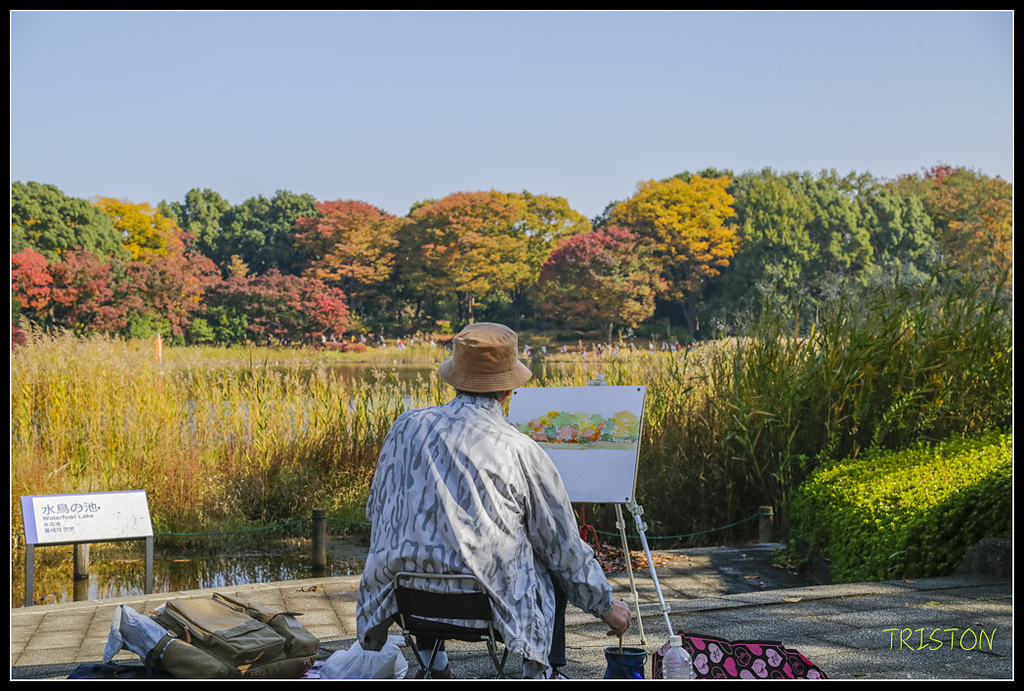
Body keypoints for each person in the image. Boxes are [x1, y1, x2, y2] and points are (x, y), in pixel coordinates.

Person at [356, 322, 631, 679]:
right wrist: (607, 606)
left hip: (408, 599)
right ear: (508, 391)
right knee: (547, 560)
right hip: (489, 608)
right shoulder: (520, 450)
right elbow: (562, 547)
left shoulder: (405, 427)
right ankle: (548, 671)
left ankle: (432, 659)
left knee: (427, 541)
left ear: (454, 378)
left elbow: (375, 509)